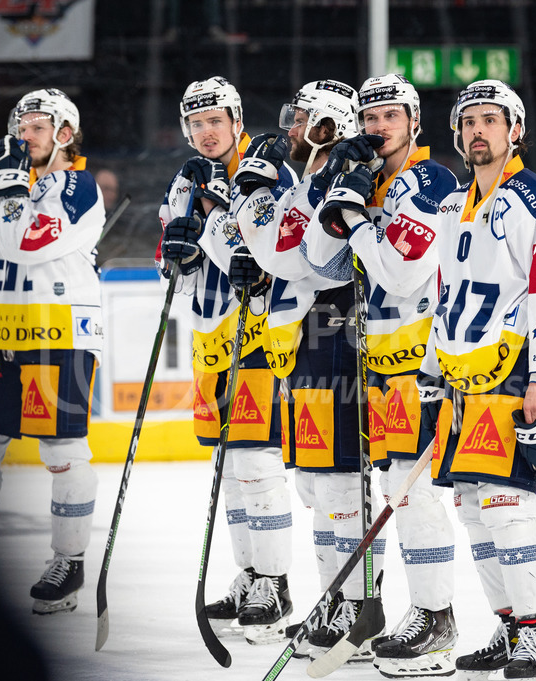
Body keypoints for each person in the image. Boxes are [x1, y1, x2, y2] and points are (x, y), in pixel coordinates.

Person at [418, 80, 536, 681]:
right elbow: (447, 298)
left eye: (491, 120)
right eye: (469, 122)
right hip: (460, 381)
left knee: (505, 505)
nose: (477, 131)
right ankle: (511, 625)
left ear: (516, 131)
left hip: (512, 373)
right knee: (472, 511)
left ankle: (535, 633)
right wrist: (433, 370)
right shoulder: (451, 205)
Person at [308, 73, 460, 677]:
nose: (377, 127)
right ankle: (402, 614)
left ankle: (436, 617)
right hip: (375, 366)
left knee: (412, 494)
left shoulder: (433, 180)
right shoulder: (366, 180)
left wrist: (357, 220)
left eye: (390, 116)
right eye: (368, 118)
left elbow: (398, 270)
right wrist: (332, 189)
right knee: (393, 489)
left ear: (414, 122)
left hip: (419, 364)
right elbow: (321, 263)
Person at [230, 79, 386, 661]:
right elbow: (276, 252)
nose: (288, 128)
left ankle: (357, 605)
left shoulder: (347, 174)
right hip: (308, 338)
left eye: (299, 120)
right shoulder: (310, 179)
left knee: (344, 481)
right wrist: (253, 193)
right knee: (317, 485)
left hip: (341, 328)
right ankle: (335, 597)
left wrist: (261, 197)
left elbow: (315, 262)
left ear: (326, 125)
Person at [0, 88, 105, 616]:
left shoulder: (77, 184)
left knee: (62, 454)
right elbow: (15, 262)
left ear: (65, 133)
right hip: (13, 333)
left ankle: (70, 561)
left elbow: (26, 243)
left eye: (38, 126)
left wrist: (2, 189)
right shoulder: (18, 183)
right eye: (21, 124)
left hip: (62, 334)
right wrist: (4, 315)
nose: (25, 133)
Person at [157, 76, 296, 645]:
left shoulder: (269, 170)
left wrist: (213, 228)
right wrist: (177, 256)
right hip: (211, 340)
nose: (205, 132)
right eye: (196, 124)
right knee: (230, 470)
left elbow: (265, 254)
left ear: (237, 119)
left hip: (258, 335)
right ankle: (250, 575)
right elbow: (172, 262)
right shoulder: (186, 179)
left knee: (257, 465)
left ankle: (276, 583)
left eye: (215, 120)